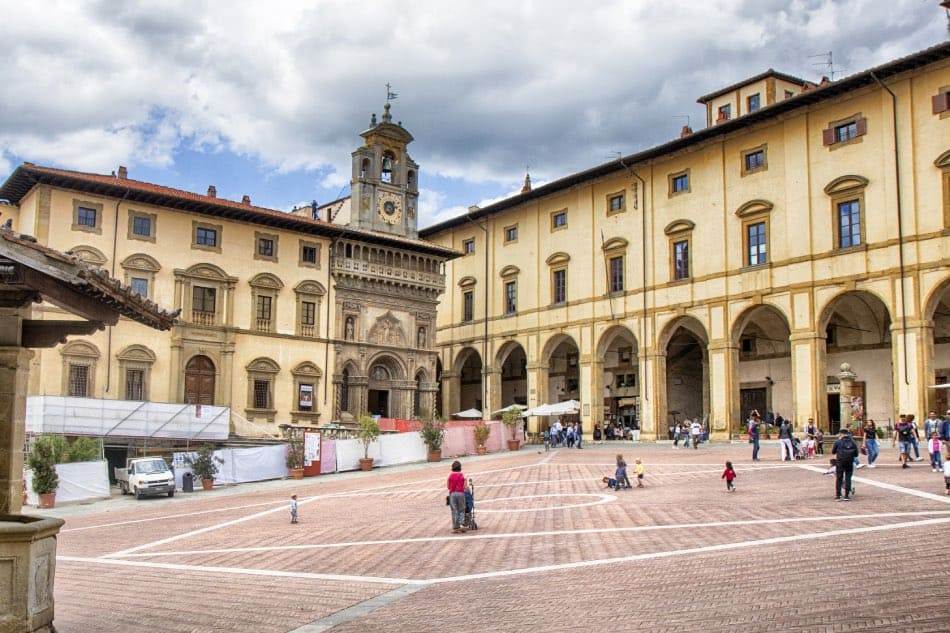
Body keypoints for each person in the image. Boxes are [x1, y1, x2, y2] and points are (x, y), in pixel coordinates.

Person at [831, 429, 858, 501]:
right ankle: (846, 496)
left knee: (839, 478)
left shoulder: (838, 441)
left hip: (840, 461)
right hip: (849, 461)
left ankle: (838, 495)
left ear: (841, 434)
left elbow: (833, 452)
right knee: (848, 478)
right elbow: (856, 454)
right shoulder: (853, 442)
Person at [447, 460, 467, 533]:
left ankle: (456, 527)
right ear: (460, 467)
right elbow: (465, 486)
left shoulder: (450, 475)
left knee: (454, 510)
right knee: (461, 509)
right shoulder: (463, 475)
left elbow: (448, 486)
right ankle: (462, 524)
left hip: (452, 494)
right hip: (461, 493)